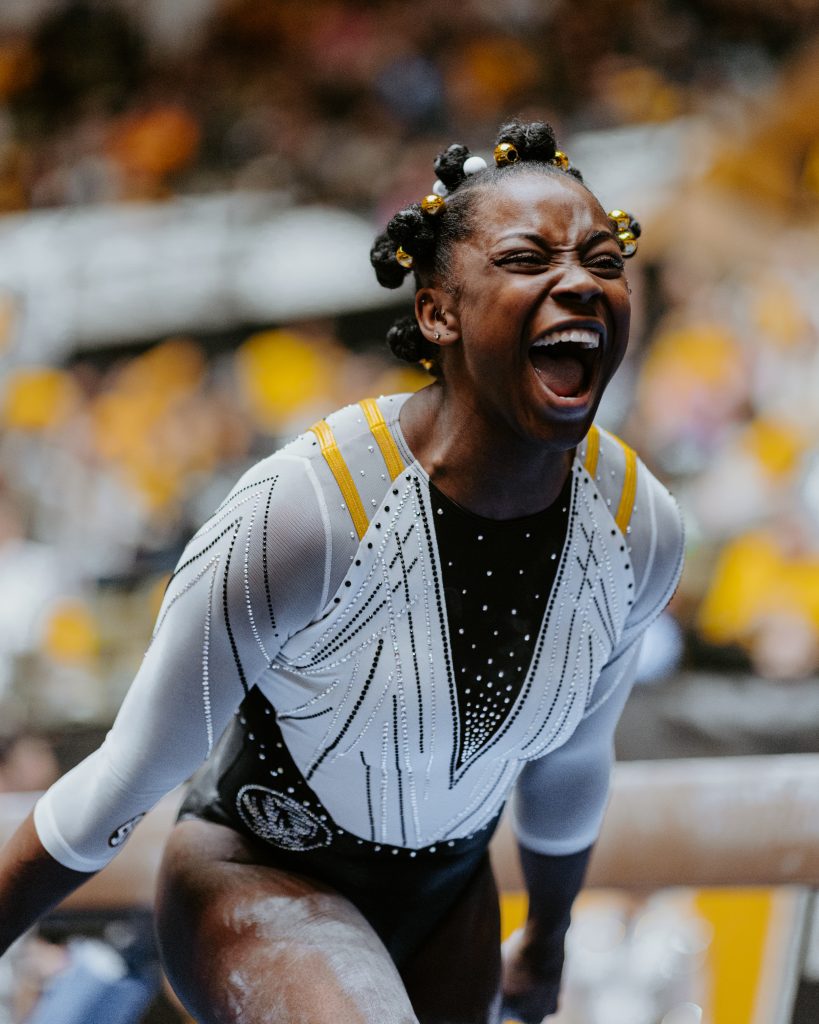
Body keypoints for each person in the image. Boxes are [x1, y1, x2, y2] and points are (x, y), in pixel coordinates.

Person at [0, 119, 684, 1023]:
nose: (578, 283)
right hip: (256, 877)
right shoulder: (310, 512)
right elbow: (125, 777)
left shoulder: (640, 529)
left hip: (449, 897)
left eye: (602, 259)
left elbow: (570, 764)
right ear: (436, 311)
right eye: (526, 258)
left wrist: (546, 938)